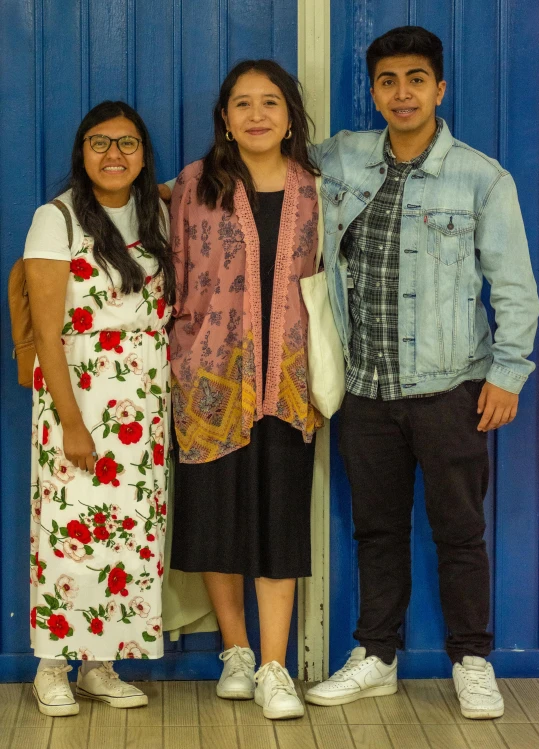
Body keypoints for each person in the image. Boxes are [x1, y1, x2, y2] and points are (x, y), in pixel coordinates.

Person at [304, 26, 539, 719]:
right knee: (376, 529)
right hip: (366, 390)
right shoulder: (344, 158)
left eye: (415, 79)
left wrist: (508, 373)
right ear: (373, 91)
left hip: (451, 388)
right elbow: (269, 170)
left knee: (459, 529)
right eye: (387, 81)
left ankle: (473, 659)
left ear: (440, 89)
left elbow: (516, 289)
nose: (401, 93)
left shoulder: (481, 177)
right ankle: (376, 655)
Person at [168, 59, 322, 720]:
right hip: (209, 382)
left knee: (279, 520)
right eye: (242, 103)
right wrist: (182, 357)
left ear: (290, 116)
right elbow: (171, 276)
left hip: (289, 383)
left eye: (270, 102)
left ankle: (273, 665)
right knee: (214, 516)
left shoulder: (316, 190)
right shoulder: (193, 186)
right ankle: (235, 650)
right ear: (224, 118)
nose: (257, 114)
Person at [25, 100, 175, 716]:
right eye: (100, 142)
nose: (114, 155)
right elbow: (46, 328)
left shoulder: (160, 212)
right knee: (71, 534)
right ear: (81, 153)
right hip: (80, 392)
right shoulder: (55, 220)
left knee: (131, 536)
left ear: (143, 154)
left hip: (146, 400)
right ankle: (53, 665)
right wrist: (71, 421)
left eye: (128, 143)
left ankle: (101, 663)